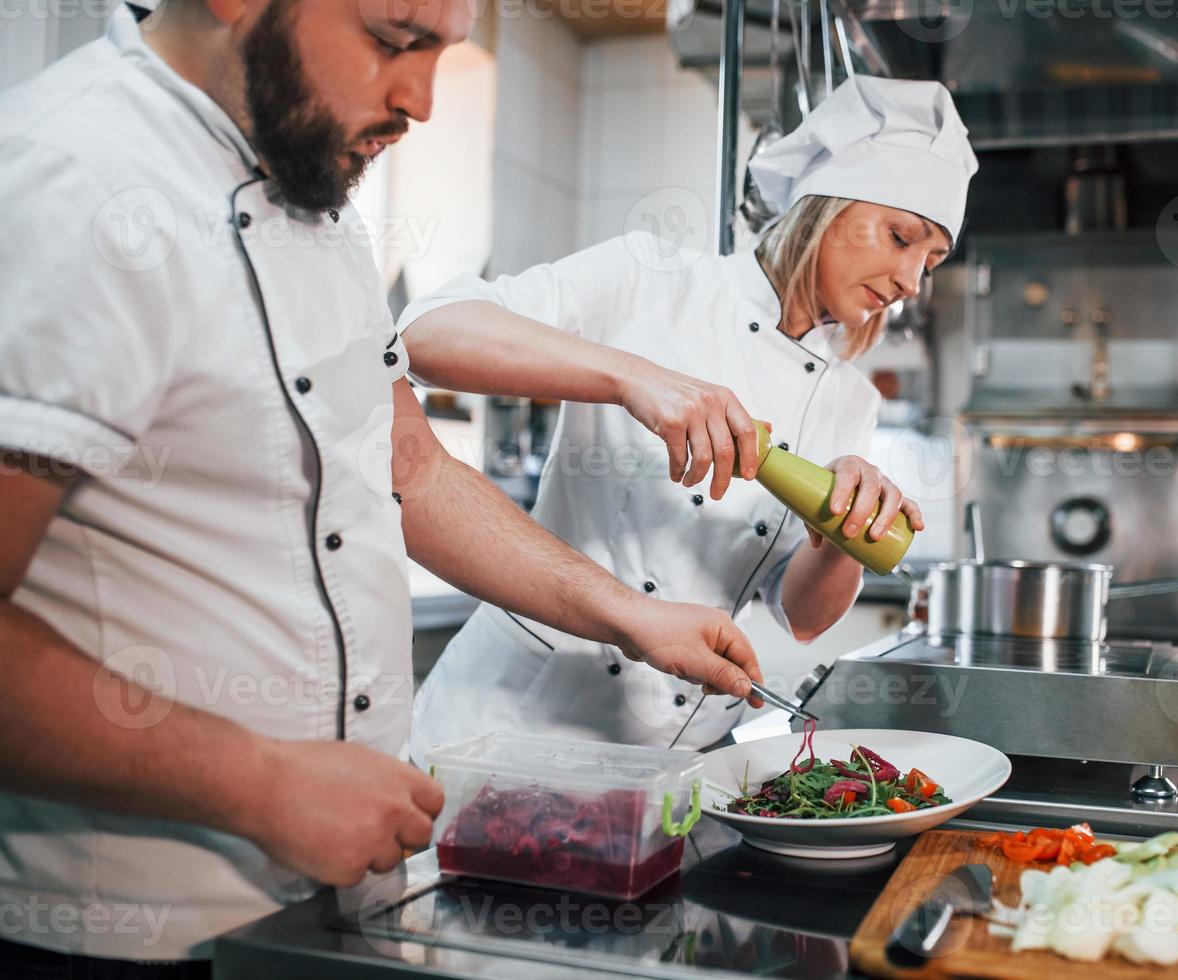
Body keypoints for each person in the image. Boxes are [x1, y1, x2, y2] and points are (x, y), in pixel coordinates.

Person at [0, 1, 763, 974]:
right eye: (394, 41)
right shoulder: (69, 176)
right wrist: (262, 783)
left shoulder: (316, 199)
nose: (423, 99)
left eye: (443, 52)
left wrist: (627, 613)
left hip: (331, 908)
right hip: (123, 932)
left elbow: (407, 468)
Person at [404, 76, 978, 758]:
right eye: (900, 237)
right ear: (828, 208)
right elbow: (423, 333)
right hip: (517, 722)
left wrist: (841, 531)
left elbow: (802, 618)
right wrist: (631, 377)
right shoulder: (653, 277)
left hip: (677, 754)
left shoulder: (854, 399)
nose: (912, 281)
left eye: (931, 260)